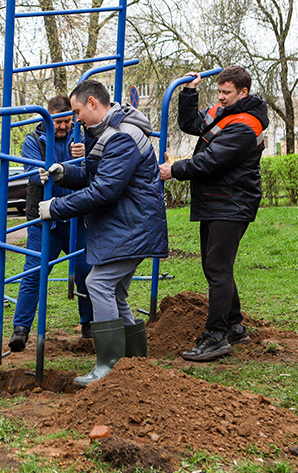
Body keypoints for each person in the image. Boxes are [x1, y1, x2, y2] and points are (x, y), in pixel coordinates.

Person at [39, 80, 167, 386]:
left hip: (133, 226)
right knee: (116, 293)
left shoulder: (122, 136)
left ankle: (109, 364)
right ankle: (135, 364)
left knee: (97, 282)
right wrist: (65, 172)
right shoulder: (108, 132)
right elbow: (96, 173)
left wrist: (56, 207)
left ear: (93, 103)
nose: (76, 118)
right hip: (127, 225)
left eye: (78, 111)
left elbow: (105, 190)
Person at [159, 66, 268, 362]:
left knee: (218, 269)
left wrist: (174, 169)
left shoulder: (246, 124)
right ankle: (234, 325)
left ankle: (216, 336)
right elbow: (190, 123)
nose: (220, 97)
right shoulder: (225, 111)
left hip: (232, 202)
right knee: (214, 266)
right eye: (218, 91)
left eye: (226, 93)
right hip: (218, 200)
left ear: (243, 92)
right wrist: (189, 92)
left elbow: (211, 161)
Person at [8, 96, 94, 352]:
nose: (64, 126)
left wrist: (84, 153)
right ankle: (21, 329)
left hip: (76, 218)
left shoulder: (80, 136)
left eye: (68, 120)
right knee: (34, 273)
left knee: (87, 271)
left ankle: (88, 322)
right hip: (45, 221)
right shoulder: (33, 140)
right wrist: (41, 172)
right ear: (48, 116)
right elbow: (32, 171)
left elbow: (94, 167)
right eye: (59, 121)